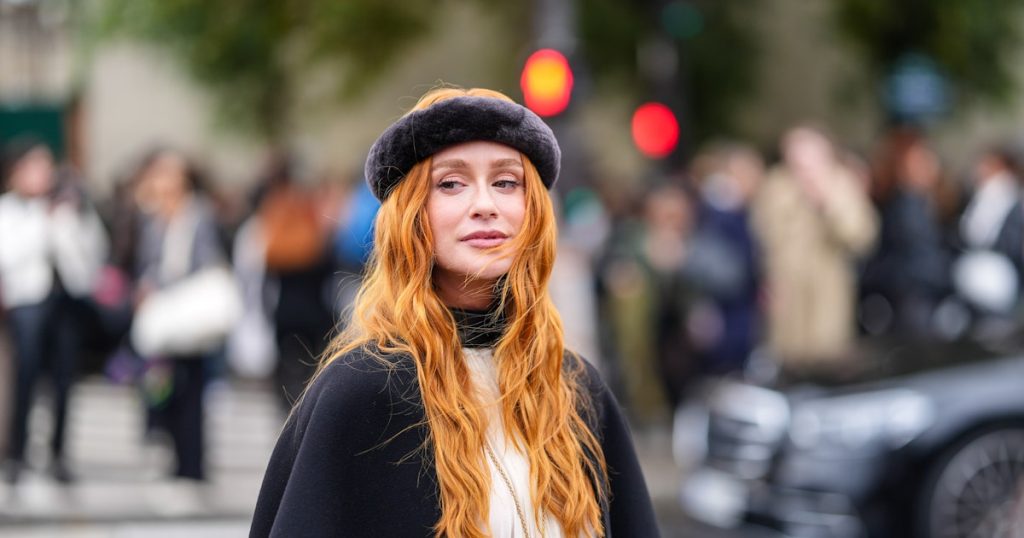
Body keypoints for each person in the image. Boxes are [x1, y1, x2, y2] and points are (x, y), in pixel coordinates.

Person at [251, 88, 659, 537]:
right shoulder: (362, 391)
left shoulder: (577, 389)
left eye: (506, 182)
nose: (484, 204)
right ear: (412, 216)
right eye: (450, 183)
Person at [0, 139, 109, 484]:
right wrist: (42, 223)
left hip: (67, 300)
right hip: (28, 301)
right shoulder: (9, 210)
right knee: (25, 378)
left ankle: (59, 452)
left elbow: (94, 254)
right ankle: (16, 453)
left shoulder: (69, 208)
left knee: (65, 379)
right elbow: (9, 255)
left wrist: (72, 218)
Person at [132, 149, 227, 480]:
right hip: (163, 318)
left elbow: (209, 260)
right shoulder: (153, 216)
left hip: (190, 314)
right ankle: (172, 453)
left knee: (193, 388)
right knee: (162, 386)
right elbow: (145, 262)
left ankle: (193, 463)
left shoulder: (199, 214)